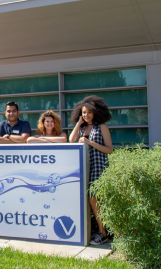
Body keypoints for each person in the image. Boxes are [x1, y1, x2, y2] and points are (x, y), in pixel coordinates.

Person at [69, 95, 113, 246]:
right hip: (84, 167)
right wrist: (79, 123)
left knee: (93, 198)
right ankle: (97, 230)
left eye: (89, 112)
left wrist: (90, 142)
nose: (86, 115)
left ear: (95, 112)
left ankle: (103, 233)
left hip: (98, 166)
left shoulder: (102, 127)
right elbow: (71, 140)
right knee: (87, 200)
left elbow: (109, 150)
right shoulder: (82, 127)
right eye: (83, 113)